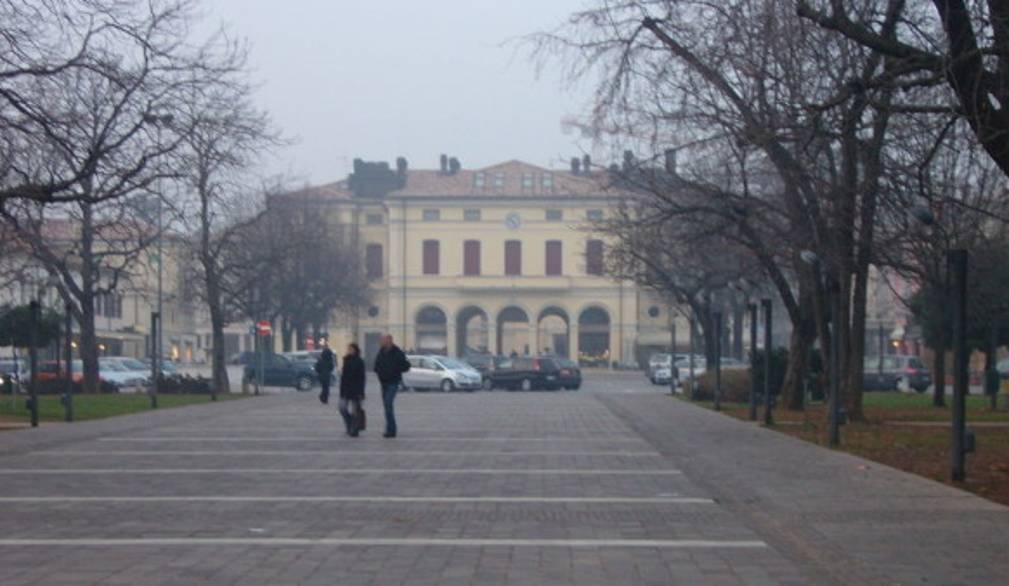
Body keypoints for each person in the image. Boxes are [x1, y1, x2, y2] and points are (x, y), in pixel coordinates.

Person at [373, 334, 410, 438]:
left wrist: (395, 370)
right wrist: (378, 371)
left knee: (388, 404)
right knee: (387, 406)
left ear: (389, 340)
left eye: (382, 340)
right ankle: (389, 428)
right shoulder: (381, 352)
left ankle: (392, 430)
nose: (380, 341)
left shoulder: (397, 352)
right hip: (383, 382)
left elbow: (406, 366)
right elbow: (377, 364)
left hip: (393, 382)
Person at [338, 343, 366, 437]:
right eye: (348, 349)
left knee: (355, 411)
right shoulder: (346, 360)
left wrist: (361, 392)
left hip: (356, 390)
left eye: (351, 349)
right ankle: (349, 424)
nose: (349, 350)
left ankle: (354, 429)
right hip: (346, 389)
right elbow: (343, 377)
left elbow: (362, 378)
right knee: (342, 408)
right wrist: (341, 390)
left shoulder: (360, 362)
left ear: (355, 350)